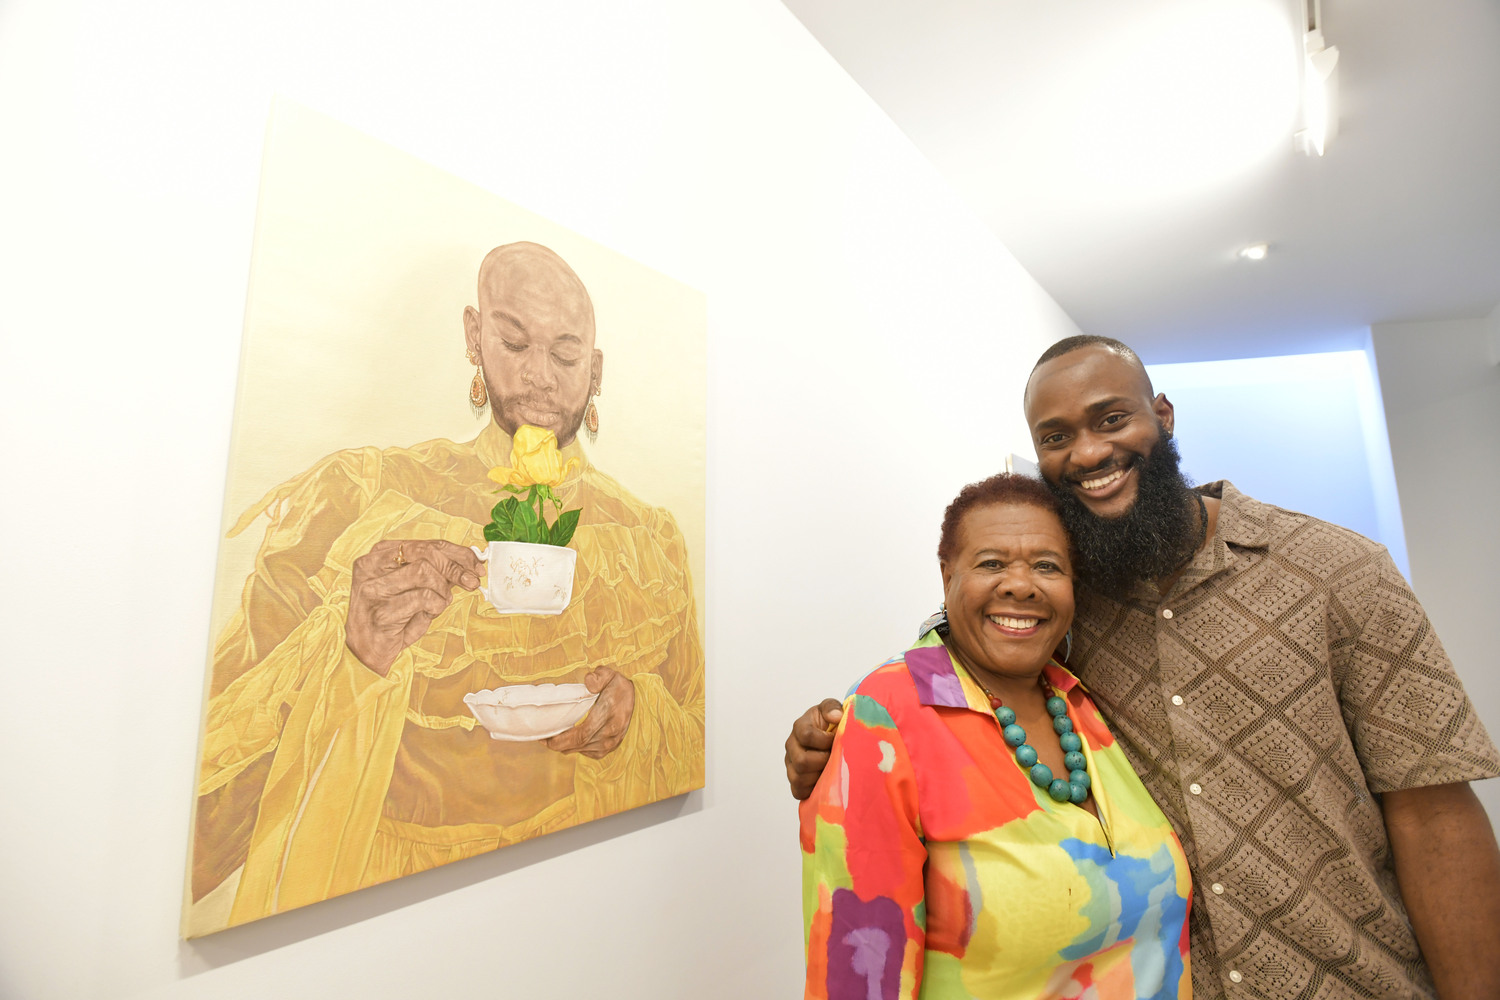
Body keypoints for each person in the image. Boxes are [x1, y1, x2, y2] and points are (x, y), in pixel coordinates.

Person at [789, 336, 1500, 999]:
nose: (1089, 452)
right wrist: (842, 733)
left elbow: (1435, 815)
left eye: (1112, 418)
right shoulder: (1068, 600)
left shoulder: (1340, 570)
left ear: (1160, 416)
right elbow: (967, 643)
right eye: (1057, 437)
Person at [188, 242, 704, 935]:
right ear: (474, 336)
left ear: (596, 370)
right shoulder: (366, 498)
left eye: (565, 355)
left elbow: (697, 730)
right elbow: (211, 784)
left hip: (588, 891)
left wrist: (636, 715)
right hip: (376, 904)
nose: (538, 379)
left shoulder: (648, 539)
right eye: (514, 342)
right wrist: (356, 650)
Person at [803, 472, 1192, 999]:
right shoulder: (886, 717)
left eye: (1047, 566)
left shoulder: (1082, 699)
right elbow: (858, 977)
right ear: (947, 576)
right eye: (991, 563)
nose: (1020, 584)